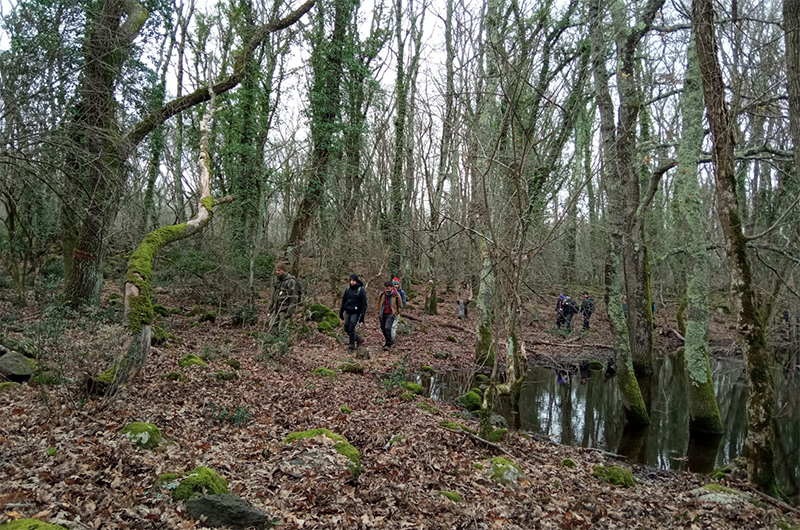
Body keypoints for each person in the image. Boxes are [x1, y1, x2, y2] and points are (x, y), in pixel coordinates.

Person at [268, 262, 300, 334]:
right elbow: (273, 296)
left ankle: (283, 340)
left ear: (284, 270)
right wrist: (270, 307)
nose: (277, 272)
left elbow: (294, 298)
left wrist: (289, 312)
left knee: (282, 329)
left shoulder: (291, 281)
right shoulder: (278, 281)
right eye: (276, 270)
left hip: (285, 309)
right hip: (276, 308)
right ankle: (274, 340)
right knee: (272, 326)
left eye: (279, 270)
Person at [338, 274, 367, 350]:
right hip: (348, 311)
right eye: (350, 280)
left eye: (353, 281)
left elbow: (364, 304)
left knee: (351, 327)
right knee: (346, 328)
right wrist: (341, 311)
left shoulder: (360, 290)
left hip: (356, 312)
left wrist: (362, 315)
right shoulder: (348, 289)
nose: (351, 282)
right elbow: (344, 300)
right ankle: (358, 338)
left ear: (356, 281)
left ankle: (352, 345)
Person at [377, 281, 402, 350]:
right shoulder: (382, 294)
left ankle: (388, 344)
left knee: (387, 328)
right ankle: (388, 341)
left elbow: (400, 305)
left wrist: (396, 313)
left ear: (391, 287)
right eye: (386, 288)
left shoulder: (396, 295)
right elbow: (379, 304)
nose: (387, 290)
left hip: (391, 314)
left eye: (388, 288)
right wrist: (378, 312)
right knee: (383, 328)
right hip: (382, 313)